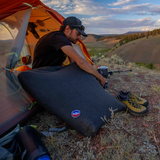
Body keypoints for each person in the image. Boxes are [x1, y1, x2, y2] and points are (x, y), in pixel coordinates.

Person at [32, 16, 106, 88]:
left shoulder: (64, 41)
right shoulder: (58, 38)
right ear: (67, 28)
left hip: (51, 73)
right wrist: (101, 78)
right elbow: (80, 62)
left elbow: (74, 63)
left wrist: (92, 71)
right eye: (78, 34)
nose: (79, 38)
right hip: (41, 75)